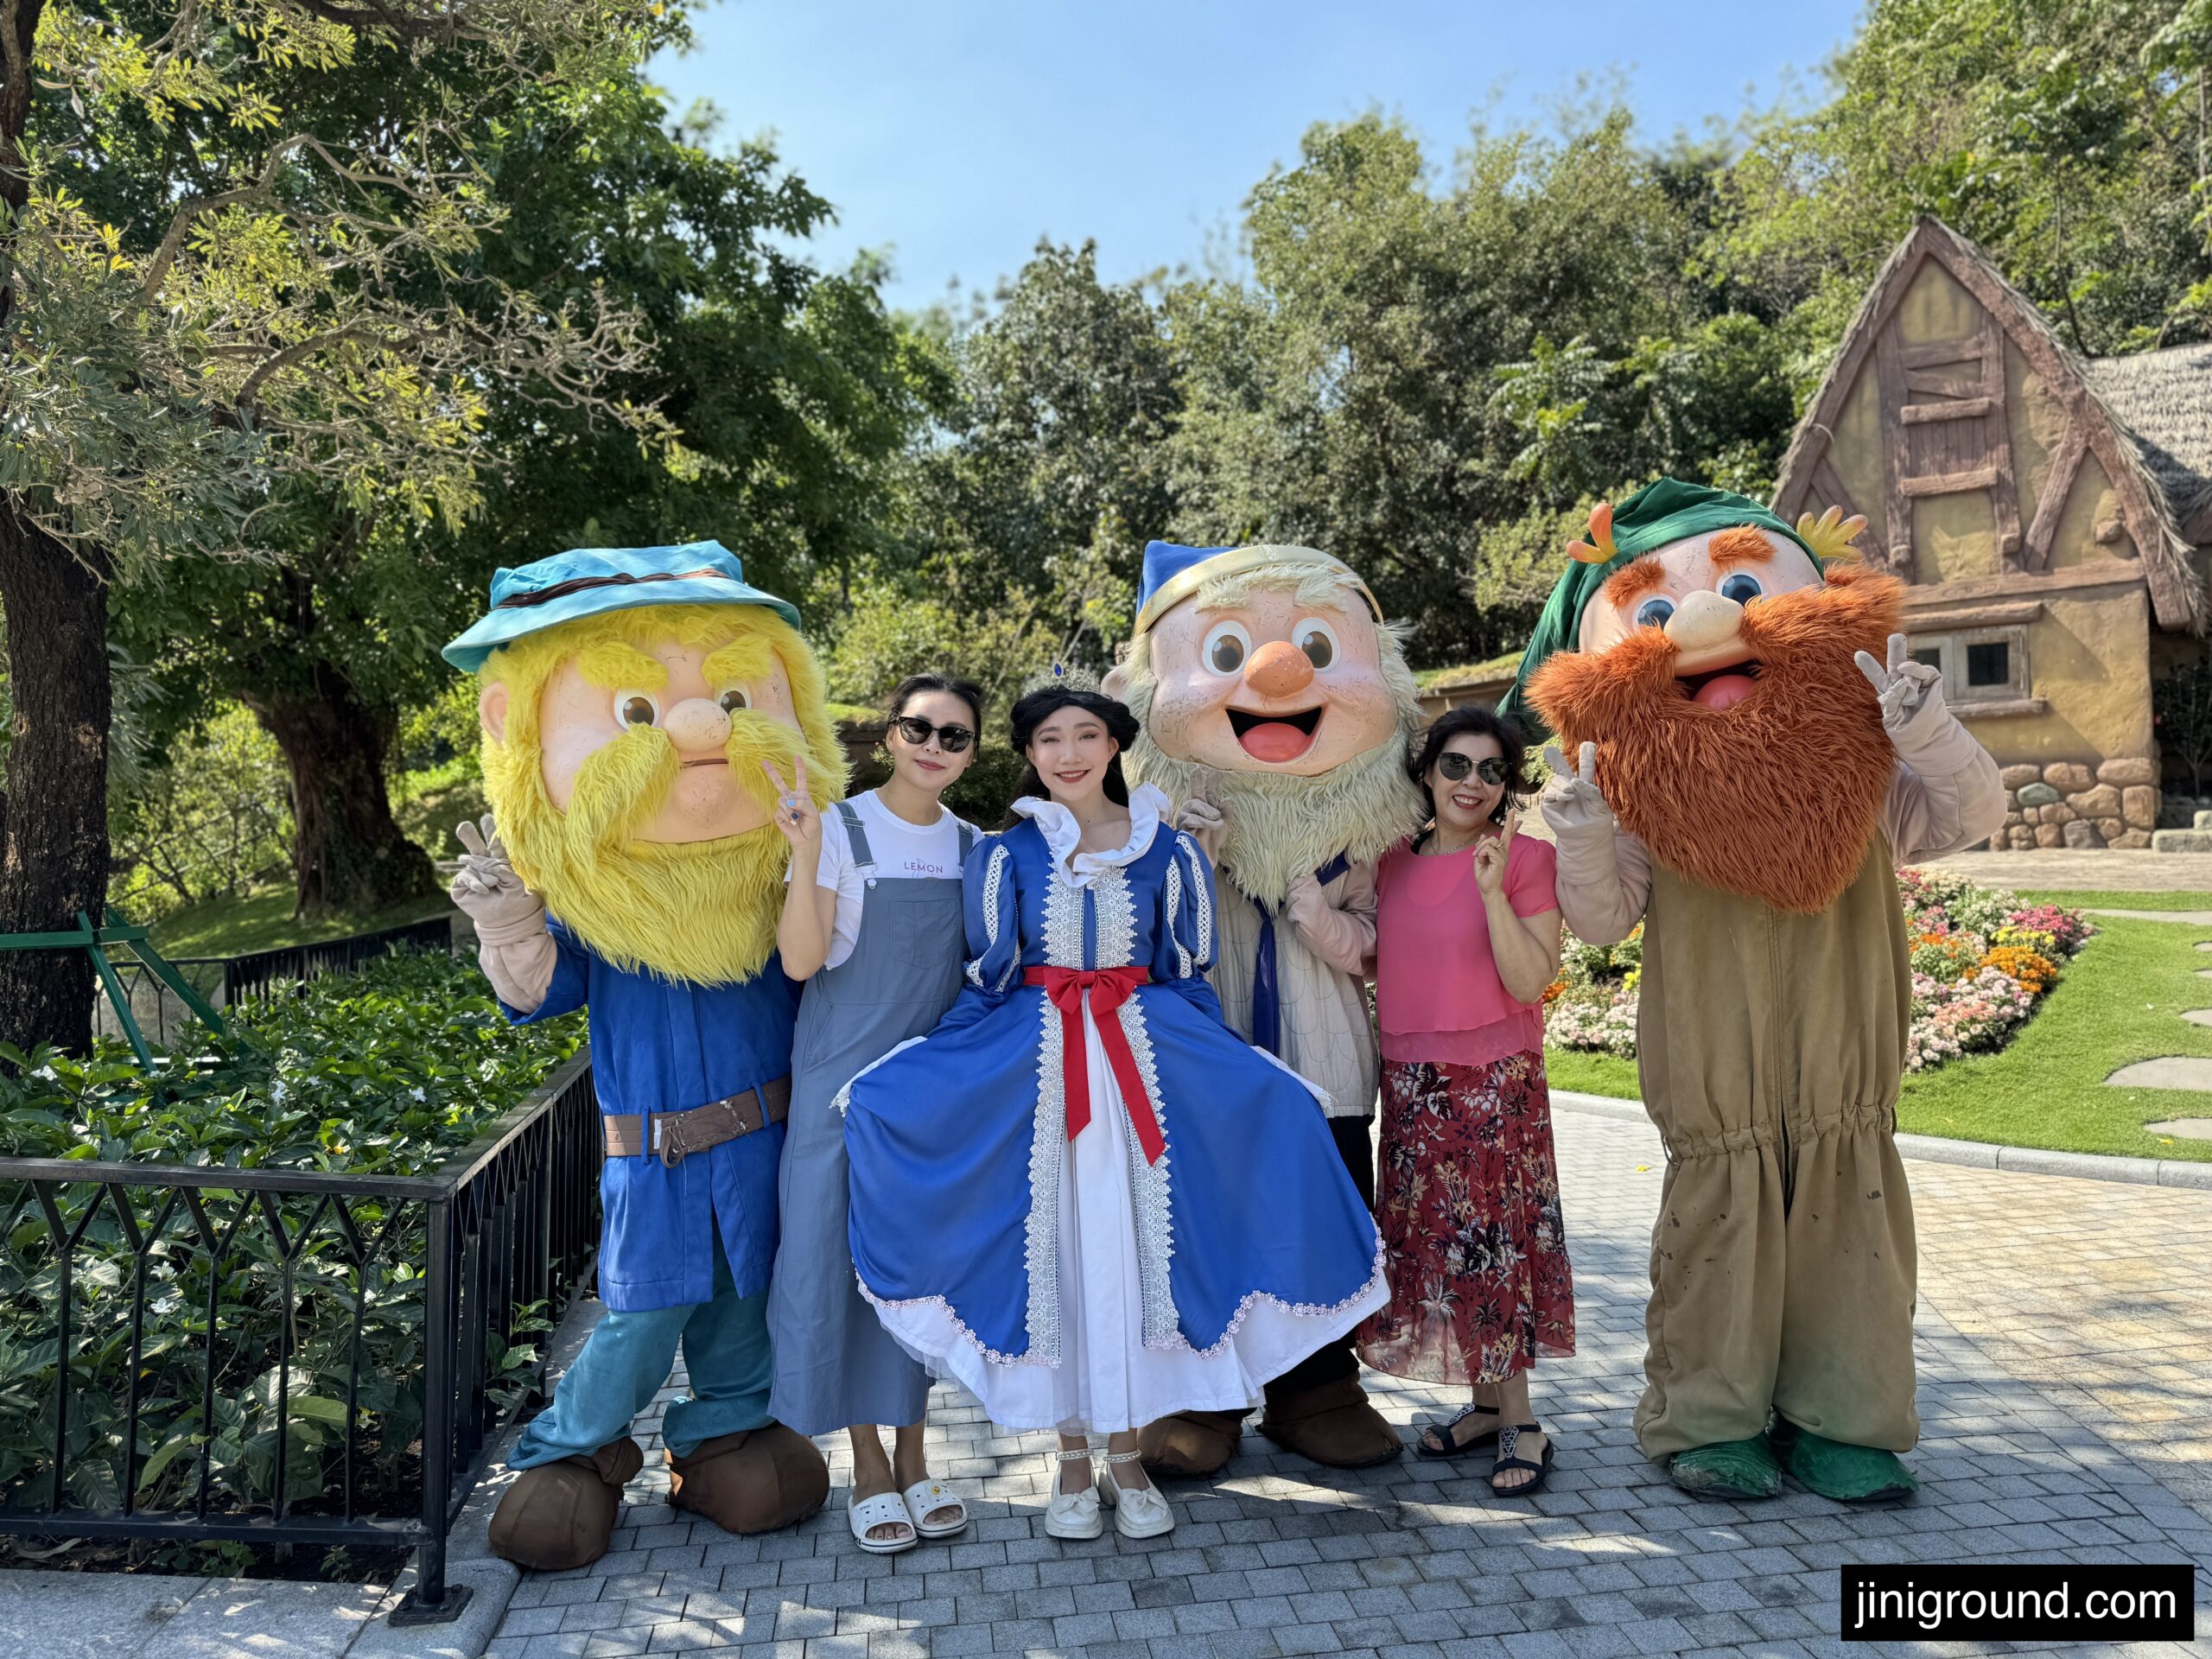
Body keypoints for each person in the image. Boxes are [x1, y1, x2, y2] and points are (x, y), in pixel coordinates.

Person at [1505, 480, 2005, 1502]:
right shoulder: (1642, 786)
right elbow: (1601, 919)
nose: (1701, 620)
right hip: (1712, 1076)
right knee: (1715, 1229)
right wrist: (1588, 826)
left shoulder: (1857, 758)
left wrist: (1926, 733)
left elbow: (1963, 816)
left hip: (1842, 1076)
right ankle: (1709, 1417)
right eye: (1651, 611)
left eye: (1738, 583)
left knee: (1850, 1228)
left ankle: (1847, 1424)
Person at [840, 683, 1388, 1543]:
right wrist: (908, 1073)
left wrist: (1249, 1076)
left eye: (1085, 735)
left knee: (1138, 1266)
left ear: (1113, 747)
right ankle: (1069, 1462)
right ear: (1027, 755)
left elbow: (1185, 979)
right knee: (1059, 1263)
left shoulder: (1166, 852)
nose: (1067, 753)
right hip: (1041, 1079)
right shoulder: (1003, 855)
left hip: (1145, 1074)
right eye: (1048, 738)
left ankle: (1127, 1457)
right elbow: (986, 985)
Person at [442, 543, 839, 1571]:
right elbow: (536, 990)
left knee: (745, 1300)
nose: (703, 728)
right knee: (640, 1313)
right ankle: (572, 1450)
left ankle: (723, 1437)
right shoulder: (600, 920)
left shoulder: (772, 898)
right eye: (638, 712)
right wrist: (507, 919)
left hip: (765, 1140)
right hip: (651, 1157)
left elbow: (840, 976)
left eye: (739, 695)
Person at [1106, 539, 1427, 1475]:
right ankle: (1203, 1395)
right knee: (1202, 1221)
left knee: (1325, 1216)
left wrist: (1321, 916)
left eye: (1318, 651)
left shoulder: (1372, 826)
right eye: (1225, 653)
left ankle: (1317, 1386)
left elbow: (1380, 944)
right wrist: (1188, 863)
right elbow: (1124, 938)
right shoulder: (1146, 825)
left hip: (1327, 1068)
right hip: (1208, 1072)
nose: (1279, 674)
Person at [764, 674, 985, 1555]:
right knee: (837, 1261)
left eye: (955, 735)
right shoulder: (839, 826)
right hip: (840, 1081)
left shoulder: (977, 848)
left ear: (970, 753)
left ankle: (920, 1455)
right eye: (919, 727)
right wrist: (807, 852)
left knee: (919, 1272)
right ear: (890, 735)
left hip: (930, 1090)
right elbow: (800, 959)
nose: (934, 744)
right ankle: (868, 1464)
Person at [1357, 706, 1574, 1497]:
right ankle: (1486, 1407)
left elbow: (1528, 979)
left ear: (1506, 784)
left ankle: (1522, 1421)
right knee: (1442, 1244)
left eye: (1490, 770)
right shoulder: (1389, 860)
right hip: (1412, 1083)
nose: (1472, 783)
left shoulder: (1526, 859)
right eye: (1456, 765)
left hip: (1493, 1083)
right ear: (1427, 772)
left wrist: (1490, 892)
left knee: (1494, 1243)